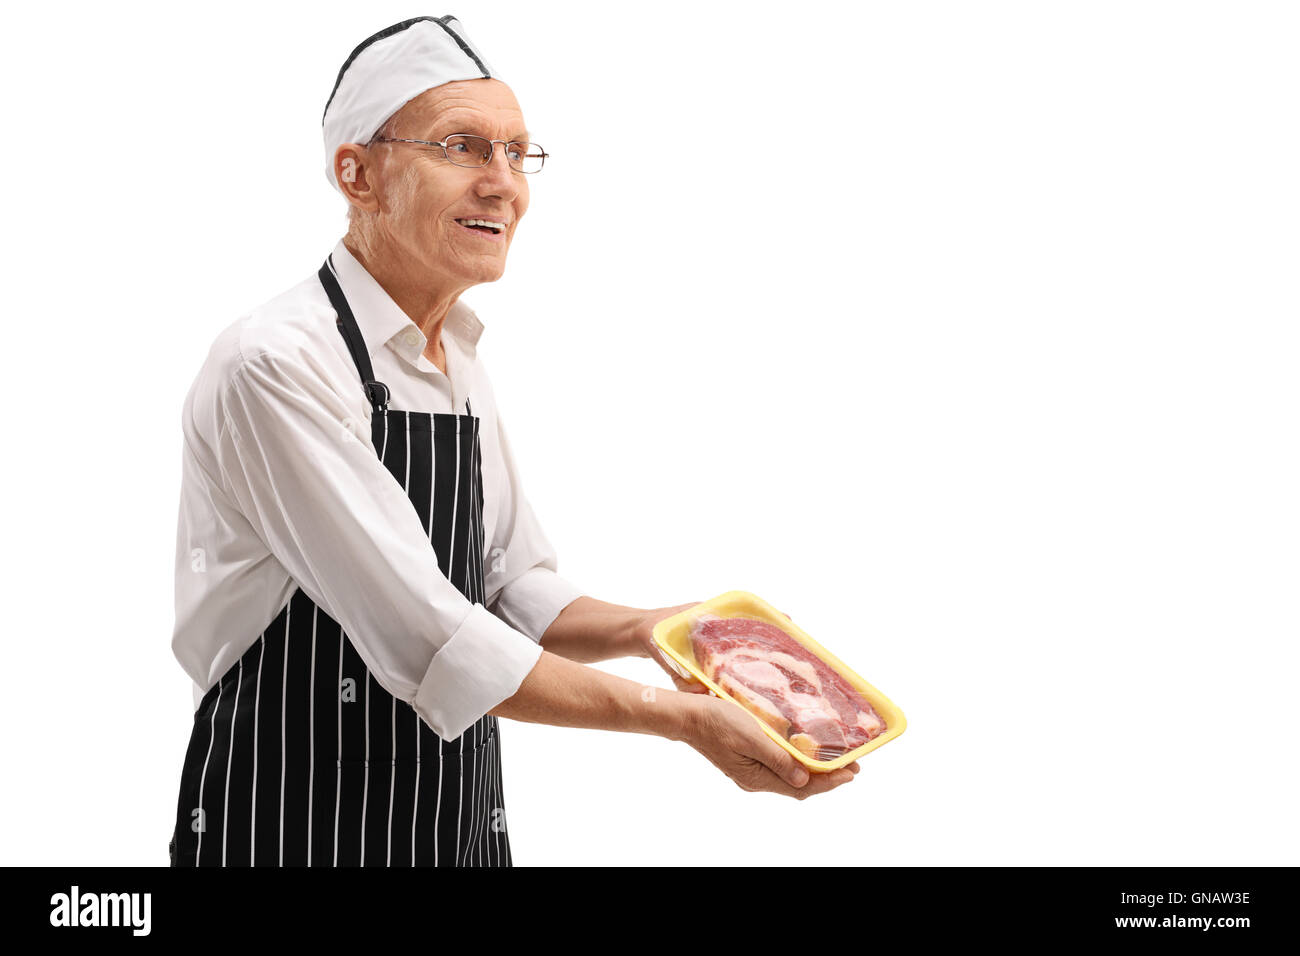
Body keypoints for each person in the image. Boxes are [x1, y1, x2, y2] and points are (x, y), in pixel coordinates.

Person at [169, 14, 857, 868]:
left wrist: (662, 629)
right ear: (358, 175)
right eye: (463, 147)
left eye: (516, 153)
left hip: (451, 814)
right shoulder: (274, 363)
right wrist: (676, 716)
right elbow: (428, 632)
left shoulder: (452, 354)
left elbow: (508, 582)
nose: (503, 184)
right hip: (291, 818)